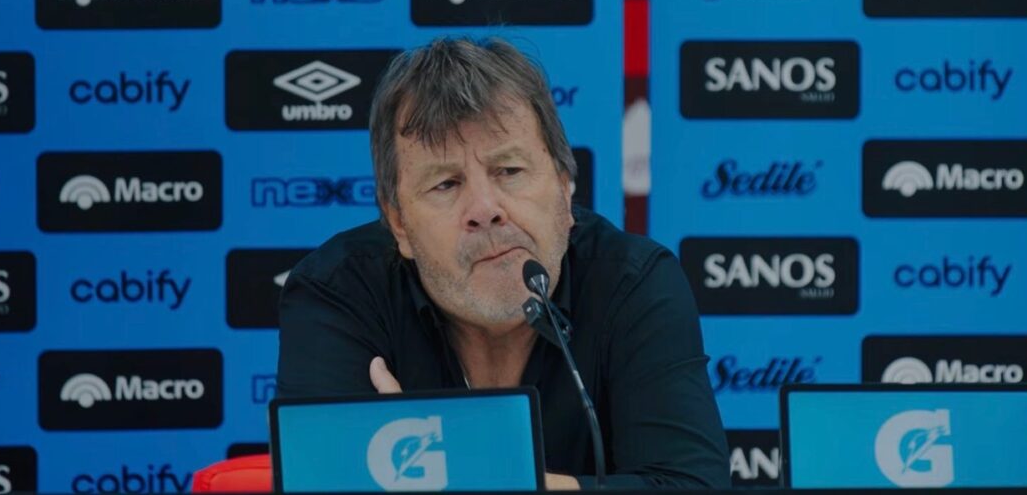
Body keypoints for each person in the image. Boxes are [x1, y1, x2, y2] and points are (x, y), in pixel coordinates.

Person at [276, 36, 730, 489]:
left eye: (508, 171)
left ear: (564, 186)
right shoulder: (338, 293)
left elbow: (692, 485)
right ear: (398, 223)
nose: (485, 208)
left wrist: (446, 477)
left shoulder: (633, 283)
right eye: (446, 184)